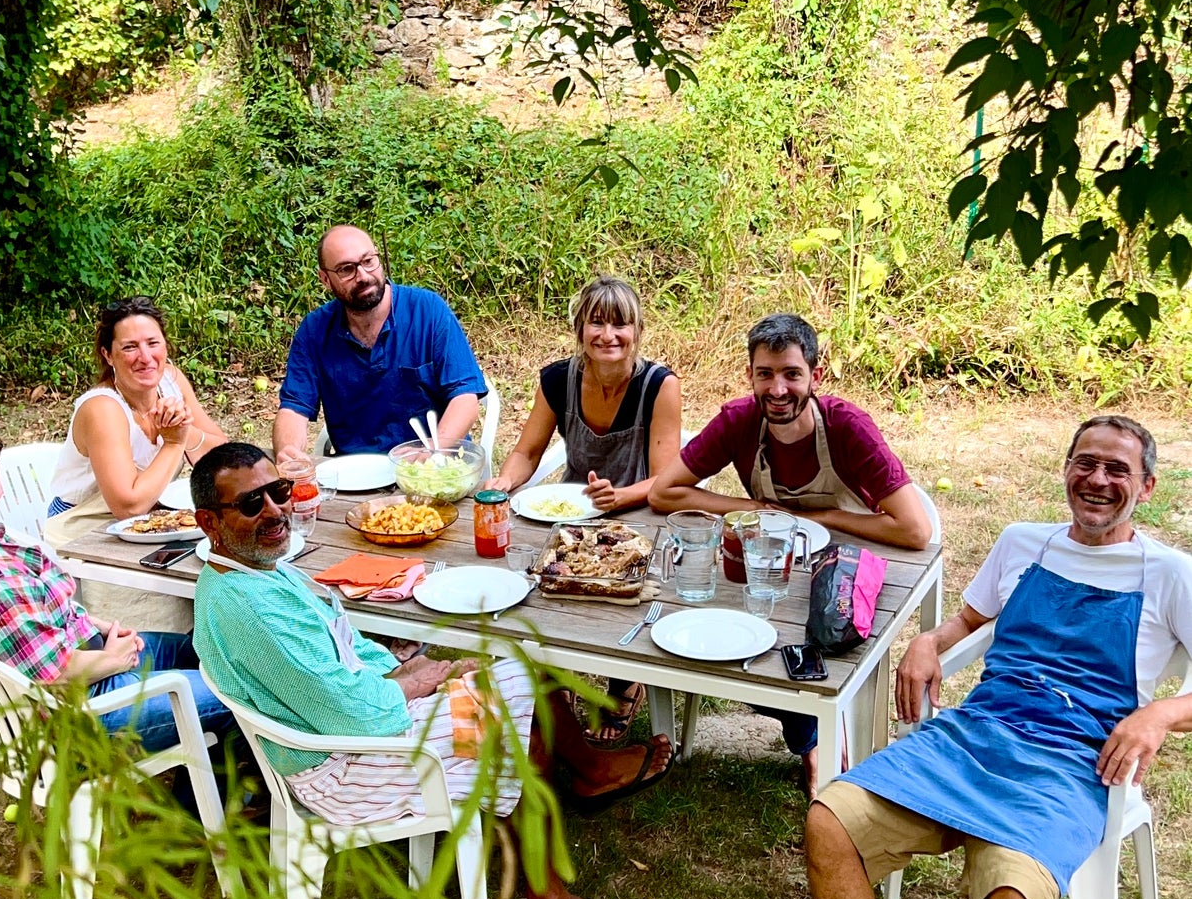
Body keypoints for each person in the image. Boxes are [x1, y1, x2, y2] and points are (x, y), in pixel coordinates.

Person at [760, 415, 1192, 899]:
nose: (1097, 480)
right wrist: (927, 641)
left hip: (1068, 768)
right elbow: (966, 620)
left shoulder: (1168, 574)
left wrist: (1158, 711)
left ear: (1146, 487)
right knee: (830, 819)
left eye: (1117, 470)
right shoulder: (1025, 542)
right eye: (1084, 463)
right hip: (974, 735)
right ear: (1064, 470)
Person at [190, 442, 671, 899]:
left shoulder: (257, 571)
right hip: (341, 768)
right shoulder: (247, 607)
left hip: (354, 727)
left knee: (523, 676)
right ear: (209, 522)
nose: (275, 510)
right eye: (252, 504)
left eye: (279, 491)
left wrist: (411, 671)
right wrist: (415, 684)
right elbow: (351, 713)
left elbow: (347, 646)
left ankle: (591, 772)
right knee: (519, 721)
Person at [647, 311, 932, 793]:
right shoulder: (738, 420)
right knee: (740, 644)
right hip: (768, 564)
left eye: (791, 374)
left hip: (843, 564)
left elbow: (915, 529)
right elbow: (664, 494)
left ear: (815, 376)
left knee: (815, 644)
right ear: (750, 376)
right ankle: (811, 735)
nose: (778, 389)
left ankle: (821, 739)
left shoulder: (847, 427)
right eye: (765, 374)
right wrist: (750, 506)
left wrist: (823, 518)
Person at [0, 402, 230, 756]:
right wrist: (115, 658)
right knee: (242, 690)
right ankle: (203, 804)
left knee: (212, 651)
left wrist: (92, 625)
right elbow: (53, 673)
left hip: (63, 669)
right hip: (81, 712)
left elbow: (20, 623)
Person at [44, 298, 226, 632]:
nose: (145, 357)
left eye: (153, 343)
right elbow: (127, 505)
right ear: (108, 355)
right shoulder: (104, 409)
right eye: (129, 347)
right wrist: (173, 442)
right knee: (169, 607)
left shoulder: (170, 380)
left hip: (157, 521)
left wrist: (186, 429)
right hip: (86, 530)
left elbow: (225, 457)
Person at [274, 227, 486, 470]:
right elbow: (293, 409)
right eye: (346, 269)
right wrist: (288, 453)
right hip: (358, 476)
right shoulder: (315, 330)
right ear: (325, 279)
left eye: (368, 261)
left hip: (437, 469)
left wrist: (433, 449)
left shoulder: (428, 311)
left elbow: (465, 398)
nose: (362, 275)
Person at [498, 275, 682, 514]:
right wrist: (505, 481)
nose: (607, 335)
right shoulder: (558, 380)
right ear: (579, 329)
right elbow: (526, 453)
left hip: (639, 513)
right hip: (572, 511)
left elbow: (663, 479)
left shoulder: (660, 385)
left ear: (637, 332)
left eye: (619, 324)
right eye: (597, 322)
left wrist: (618, 497)